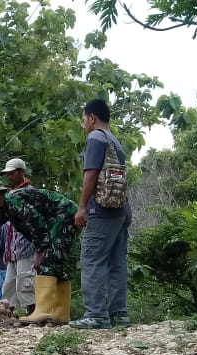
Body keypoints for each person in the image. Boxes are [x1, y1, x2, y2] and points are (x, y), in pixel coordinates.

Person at [0, 174, 78, 325]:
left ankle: (43, 311)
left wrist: (38, 254)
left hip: (64, 215)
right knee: (56, 262)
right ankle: (61, 314)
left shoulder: (15, 203)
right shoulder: (5, 207)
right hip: (57, 219)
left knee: (48, 260)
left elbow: (39, 227)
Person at [71, 99, 132, 329]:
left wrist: (82, 206)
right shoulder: (115, 141)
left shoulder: (95, 138)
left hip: (102, 209)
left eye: (83, 118)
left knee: (91, 259)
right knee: (116, 262)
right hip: (121, 209)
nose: (83, 123)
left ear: (92, 117)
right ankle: (119, 314)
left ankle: (95, 315)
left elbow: (91, 174)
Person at [0, 158, 36, 315]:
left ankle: (33, 315)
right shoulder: (12, 194)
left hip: (26, 247)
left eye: (12, 173)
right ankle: (7, 315)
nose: (10, 177)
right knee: (9, 285)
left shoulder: (30, 193)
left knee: (26, 284)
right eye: (8, 174)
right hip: (14, 249)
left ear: (21, 172)